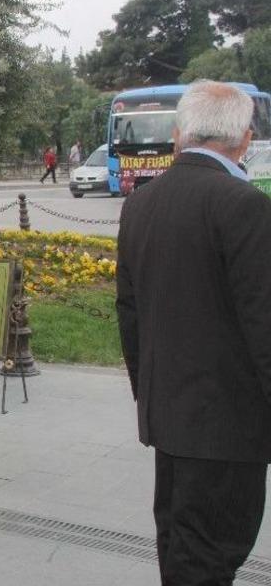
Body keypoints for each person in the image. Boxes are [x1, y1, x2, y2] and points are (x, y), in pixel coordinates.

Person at [116, 81, 271, 584]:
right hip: (230, 427)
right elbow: (263, 322)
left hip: (171, 420)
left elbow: (130, 314)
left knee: (181, 553)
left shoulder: (142, 203)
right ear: (245, 140)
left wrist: (152, 397)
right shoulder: (244, 206)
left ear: (179, 135)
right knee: (209, 558)